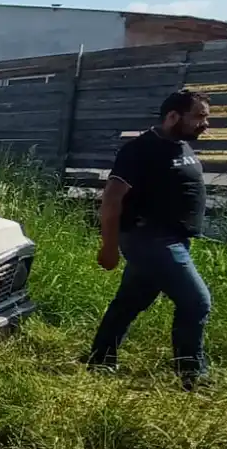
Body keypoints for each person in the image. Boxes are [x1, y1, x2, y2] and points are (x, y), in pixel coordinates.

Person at [85, 89, 212, 391]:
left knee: (130, 301)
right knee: (196, 302)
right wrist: (109, 246)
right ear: (172, 116)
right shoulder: (139, 150)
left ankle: (99, 359)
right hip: (151, 238)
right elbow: (112, 200)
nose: (205, 124)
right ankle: (193, 375)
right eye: (199, 116)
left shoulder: (181, 145)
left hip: (172, 239)